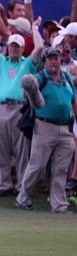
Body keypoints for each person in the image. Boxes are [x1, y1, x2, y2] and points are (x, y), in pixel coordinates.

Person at [0, 11, 43, 196]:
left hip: (19, 107)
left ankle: (21, 185)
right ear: (7, 47)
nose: (14, 49)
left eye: (17, 46)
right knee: (1, 148)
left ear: (23, 49)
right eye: (12, 46)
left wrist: (35, 28)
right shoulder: (1, 61)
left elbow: (39, 48)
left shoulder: (27, 64)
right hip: (0, 108)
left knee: (21, 149)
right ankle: (5, 184)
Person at [15, 47, 76, 213]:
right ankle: (23, 199)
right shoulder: (40, 77)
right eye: (50, 58)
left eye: (56, 58)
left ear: (60, 59)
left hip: (65, 128)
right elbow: (26, 89)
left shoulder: (67, 78)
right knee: (37, 165)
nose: (53, 61)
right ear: (45, 61)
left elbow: (73, 102)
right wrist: (30, 91)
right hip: (44, 126)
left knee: (61, 169)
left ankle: (59, 205)